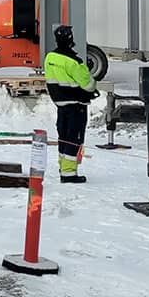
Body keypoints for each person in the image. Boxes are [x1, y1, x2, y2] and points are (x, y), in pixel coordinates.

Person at [43, 24, 97, 182]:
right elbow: (88, 84)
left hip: (61, 103)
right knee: (74, 137)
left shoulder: (50, 58)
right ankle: (68, 173)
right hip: (76, 105)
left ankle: (63, 166)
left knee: (63, 135)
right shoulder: (74, 62)